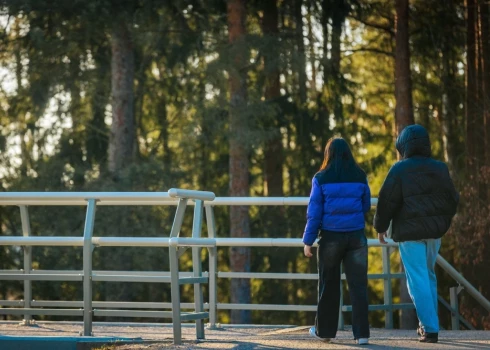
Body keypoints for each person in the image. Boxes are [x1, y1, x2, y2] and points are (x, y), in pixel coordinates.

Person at [374, 124, 459, 343]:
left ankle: (430, 329)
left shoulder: (399, 169)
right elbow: (452, 200)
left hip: (410, 234)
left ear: (403, 147)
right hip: (434, 233)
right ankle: (429, 324)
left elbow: (386, 202)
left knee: (418, 278)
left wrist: (380, 226)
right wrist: (442, 221)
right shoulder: (440, 168)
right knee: (428, 275)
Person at [303, 137, 371, 345]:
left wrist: (308, 240)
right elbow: (366, 205)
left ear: (328, 154)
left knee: (328, 285)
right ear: (348, 153)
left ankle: (325, 333)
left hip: (331, 237)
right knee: (358, 286)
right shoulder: (360, 176)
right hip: (356, 237)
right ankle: (362, 335)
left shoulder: (321, 178)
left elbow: (314, 212)